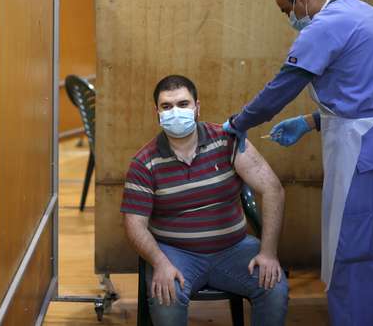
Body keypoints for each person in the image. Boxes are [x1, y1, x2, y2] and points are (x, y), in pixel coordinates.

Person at [222, 0, 373, 326]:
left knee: (353, 258)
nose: (289, 18)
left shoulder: (325, 26)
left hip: (364, 159)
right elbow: (366, 95)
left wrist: (238, 123)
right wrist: (310, 122)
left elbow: (282, 86)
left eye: (286, 10)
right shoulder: (366, 12)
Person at [122, 75, 288, 326]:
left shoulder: (227, 139)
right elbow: (134, 224)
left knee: (274, 287)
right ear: (156, 112)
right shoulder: (144, 162)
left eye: (183, 104)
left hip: (235, 249)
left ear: (197, 107)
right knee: (167, 297)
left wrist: (268, 253)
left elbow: (273, 189)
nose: (175, 112)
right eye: (167, 106)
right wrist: (160, 263)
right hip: (176, 254)